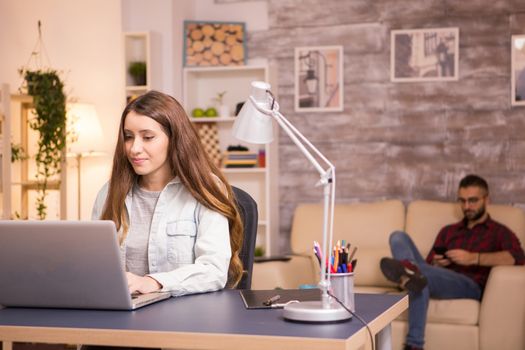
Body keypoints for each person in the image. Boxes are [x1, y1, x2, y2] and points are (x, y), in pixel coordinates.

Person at [92, 90, 244, 297]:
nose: (134, 148)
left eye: (148, 137)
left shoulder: (206, 188)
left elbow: (214, 270)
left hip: (184, 318)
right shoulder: (109, 192)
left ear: (174, 138)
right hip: (121, 315)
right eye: (128, 137)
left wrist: (154, 282)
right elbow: (95, 266)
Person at [380, 174, 525, 350]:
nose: (466, 206)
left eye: (472, 201)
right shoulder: (449, 231)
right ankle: (410, 271)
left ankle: (408, 273)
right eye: (462, 201)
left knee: (419, 277)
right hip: (435, 276)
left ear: (487, 200)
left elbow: (517, 257)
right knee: (398, 237)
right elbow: (429, 262)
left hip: (469, 284)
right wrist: (437, 263)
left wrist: (474, 258)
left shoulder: (498, 232)